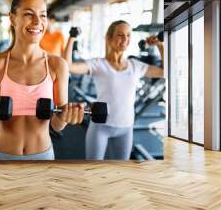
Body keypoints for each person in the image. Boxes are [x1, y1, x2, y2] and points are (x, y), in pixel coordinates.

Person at [0, 0, 85, 160]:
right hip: (2, 155)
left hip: (43, 156)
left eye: (43, 15)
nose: (37, 22)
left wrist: (66, 116)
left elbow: (57, 125)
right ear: (12, 18)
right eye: (29, 14)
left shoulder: (57, 66)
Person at [64, 20, 164, 160]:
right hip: (100, 127)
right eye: (120, 35)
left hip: (126, 127)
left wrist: (160, 44)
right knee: (92, 170)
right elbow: (68, 66)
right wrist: (72, 37)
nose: (125, 39)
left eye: (128, 35)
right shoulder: (99, 64)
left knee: (120, 172)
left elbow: (165, 72)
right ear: (110, 38)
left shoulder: (135, 66)